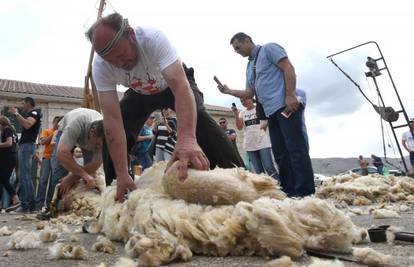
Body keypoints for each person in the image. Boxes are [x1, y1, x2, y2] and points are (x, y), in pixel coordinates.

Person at [86, 12, 244, 201]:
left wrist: (186, 139)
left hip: (172, 84)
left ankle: (241, 180)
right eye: (112, 61)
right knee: (112, 130)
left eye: (121, 55)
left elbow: (180, 87)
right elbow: (112, 120)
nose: (120, 64)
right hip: (140, 92)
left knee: (200, 121)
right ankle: (118, 192)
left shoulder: (152, 38)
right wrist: (121, 172)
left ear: (130, 34)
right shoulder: (100, 66)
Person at [217, 32, 315, 197]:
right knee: (280, 154)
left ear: (247, 41)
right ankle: (289, 191)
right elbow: (249, 92)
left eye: (238, 47)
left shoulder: (270, 49)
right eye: (235, 49)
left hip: (285, 106)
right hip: (270, 113)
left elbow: (288, 67)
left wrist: (290, 94)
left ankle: (305, 191)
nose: (237, 51)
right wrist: (228, 91)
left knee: (295, 149)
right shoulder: (249, 67)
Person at [38, 108, 104, 219]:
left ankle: (85, 208)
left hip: (88, 134)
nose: (99, 147)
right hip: (67, 128)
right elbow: (62, 154)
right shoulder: (75, 124)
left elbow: (95, 163)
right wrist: (81, 175)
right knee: (59, 172)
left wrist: (73, 177)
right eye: (98, 144)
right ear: (92, 133)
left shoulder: (104, 136)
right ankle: (53, 207)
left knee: (90, 177)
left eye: (101, 145)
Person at [233, 97, 278, 180]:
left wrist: (263, 127)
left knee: (269, 167)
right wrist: (236, 114)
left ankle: (279, 187)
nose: (243, 102)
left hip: (263, 142)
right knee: (258, 171)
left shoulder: (260, 108)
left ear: (250, 99)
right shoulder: (242, 113)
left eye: (244, 99)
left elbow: (267, 120)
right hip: (249, 145)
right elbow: (239, 127)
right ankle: (266, 191)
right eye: (241, 101)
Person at [10, 97, 41, 212]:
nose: (22, 106)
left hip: (27, 146)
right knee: (26, 176)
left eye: (23, 103)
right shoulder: (32, 114)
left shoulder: (34, 112)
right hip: (26, 146)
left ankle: (26, 205)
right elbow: (26, 125)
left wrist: (16, 114)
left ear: (28, 103)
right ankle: (30, 205)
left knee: (24, 176)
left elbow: (28, 124)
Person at [35, 116, 61, 211]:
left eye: (59, 123)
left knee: (53, 183)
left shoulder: (61, 133)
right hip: (47, 157)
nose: (58, 125)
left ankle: (50, 204)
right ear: (53, 122)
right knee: (43, 180)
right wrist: (54, 134)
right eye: (56, 122)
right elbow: (42, 142)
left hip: (57, 159)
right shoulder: (47, 131)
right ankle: (38, 204)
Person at [0, 116, 21, 211]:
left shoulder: (7, 129)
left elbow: (9, 143)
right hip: (11, 157)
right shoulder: (12, 130)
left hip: (7, 158)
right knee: (3, 179)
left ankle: (16, 199)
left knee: (4, 179)